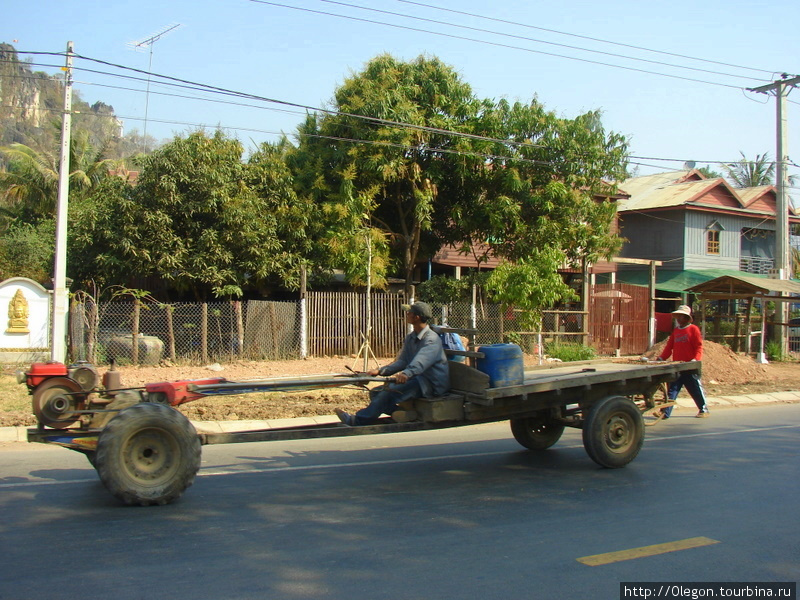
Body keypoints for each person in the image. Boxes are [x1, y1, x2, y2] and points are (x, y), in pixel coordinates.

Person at [335, 302, 450, 426]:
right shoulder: (411, 337)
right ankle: (403, 414)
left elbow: (421, 361)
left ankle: (357, 421)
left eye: (409, 312)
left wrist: (406, 373)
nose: (407, 314)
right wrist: (380, 371)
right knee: (375, 392)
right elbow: (403, 361)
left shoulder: (431, 339)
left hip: (430, 383)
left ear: (417, 317)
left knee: (388, 393)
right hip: (416, 379)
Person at [656, 304, 709, 419]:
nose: (679, 319)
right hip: (678, 366)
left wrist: (695, 360)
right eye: (678, 316)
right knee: (672, 390)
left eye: (681, 316)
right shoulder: (676, 331)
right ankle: (665, 412)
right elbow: (669, 348)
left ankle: (703, 409)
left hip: (689, 367)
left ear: (686, 318)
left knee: (695, 389)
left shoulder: (693, 329)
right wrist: (661, 358)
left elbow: (699, 347)